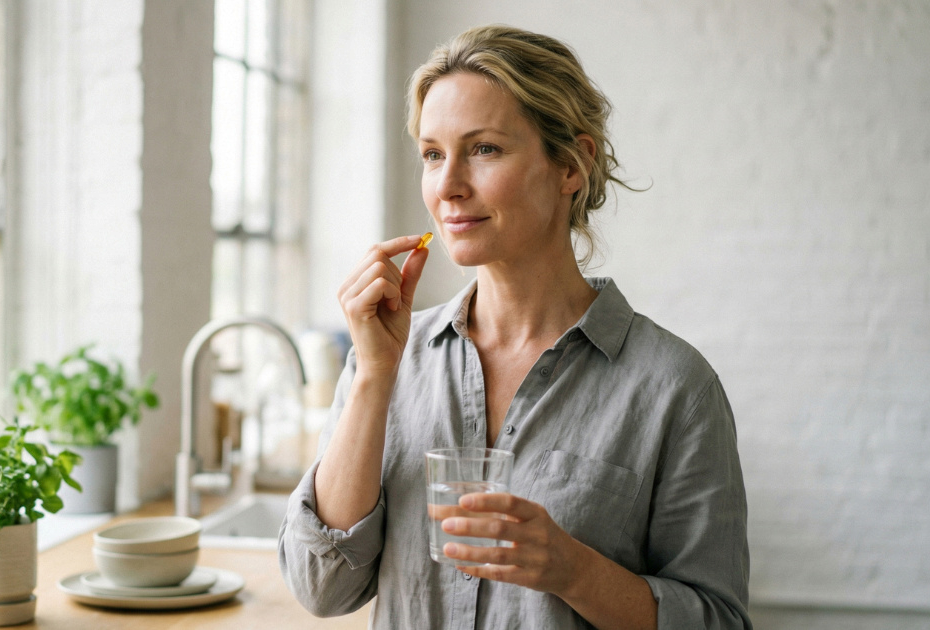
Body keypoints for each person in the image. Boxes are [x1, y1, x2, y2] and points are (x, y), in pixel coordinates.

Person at [279, 24, 750, 630]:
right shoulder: (390, 359)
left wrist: (572, 570)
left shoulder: (675, 389)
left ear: (572, 166)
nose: (447, 187)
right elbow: (323, 589)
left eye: (484, 149)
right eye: (432, 154)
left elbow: (719, 620)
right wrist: (373, 375)